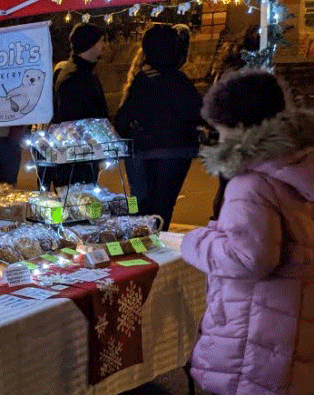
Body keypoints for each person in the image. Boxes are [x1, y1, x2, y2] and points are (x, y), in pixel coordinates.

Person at [181, 69, 314, 395]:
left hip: (256, 336)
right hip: (292, 321)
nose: (219, 137)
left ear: (238, 127)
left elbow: (248, 259)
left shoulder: (251, 182)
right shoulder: (297, 161)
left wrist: (195, 240)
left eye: (221, 129)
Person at [115, 24, 203, 231]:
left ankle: (140, 242)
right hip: (174, 152)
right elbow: (196, 114)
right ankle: (156, 244)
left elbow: (122, 118)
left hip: (143, 151)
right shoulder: (179, 82)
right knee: (163, 206)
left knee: (139, 202)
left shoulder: (142, 79)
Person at [40, 22, 108, 190]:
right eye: (101, 41)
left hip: (80, 159)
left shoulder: (80, 72)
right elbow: (73, 123)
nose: (103, 46)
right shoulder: (75, 76)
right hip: (76, 163)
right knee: (79, 209)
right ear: (90, 44)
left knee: (84, 207)